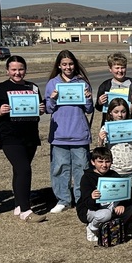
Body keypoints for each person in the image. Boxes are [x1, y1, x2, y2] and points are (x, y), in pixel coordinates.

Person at [0, 56, 47, 223]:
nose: (17, 72)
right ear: (7, 71)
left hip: (30, 134)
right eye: (13, 69)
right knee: (24, 170)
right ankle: (26, 211)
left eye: (20, 69)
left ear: (25, 70)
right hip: (10, 135)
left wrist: (41, 109)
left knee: (19, 171)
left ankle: (19, 204)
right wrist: (0, 111)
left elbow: (39, 109)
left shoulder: (32, 87)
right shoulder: (0, 88)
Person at [44, 50, 93, 213]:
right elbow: (49, 110)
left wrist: (88, 98)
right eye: (64, 64)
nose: (68, 67)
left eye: (70, 64)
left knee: (82, 167)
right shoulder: (52, 83)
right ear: (59, 65)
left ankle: (81, 199)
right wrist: (52, 98)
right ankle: (63, 199)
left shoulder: (82, 82)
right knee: (59, 168)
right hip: (59, 135)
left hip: (79, 133)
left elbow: (89, 109)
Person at [77, 146, 132, 243]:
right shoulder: (87, 178)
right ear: (93, 162)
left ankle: (117, 225)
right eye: (100, 162)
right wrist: (92, 197)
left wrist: (122, 204)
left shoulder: (114, 175)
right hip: (92, 209)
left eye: (107, 161)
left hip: (110, 205)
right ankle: (92, 228)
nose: (104, 165)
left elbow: (129, 193)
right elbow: (87, 203)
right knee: (105, 214)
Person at [97, 97, 132, 197]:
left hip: (131, 170)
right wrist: (100, 142)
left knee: (131, 199)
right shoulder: (105, 129)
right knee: (115, 198)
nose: (120, 115)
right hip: (114, 170)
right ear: (110, 112)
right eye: (116, 112)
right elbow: (100, 155)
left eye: (123, 111)